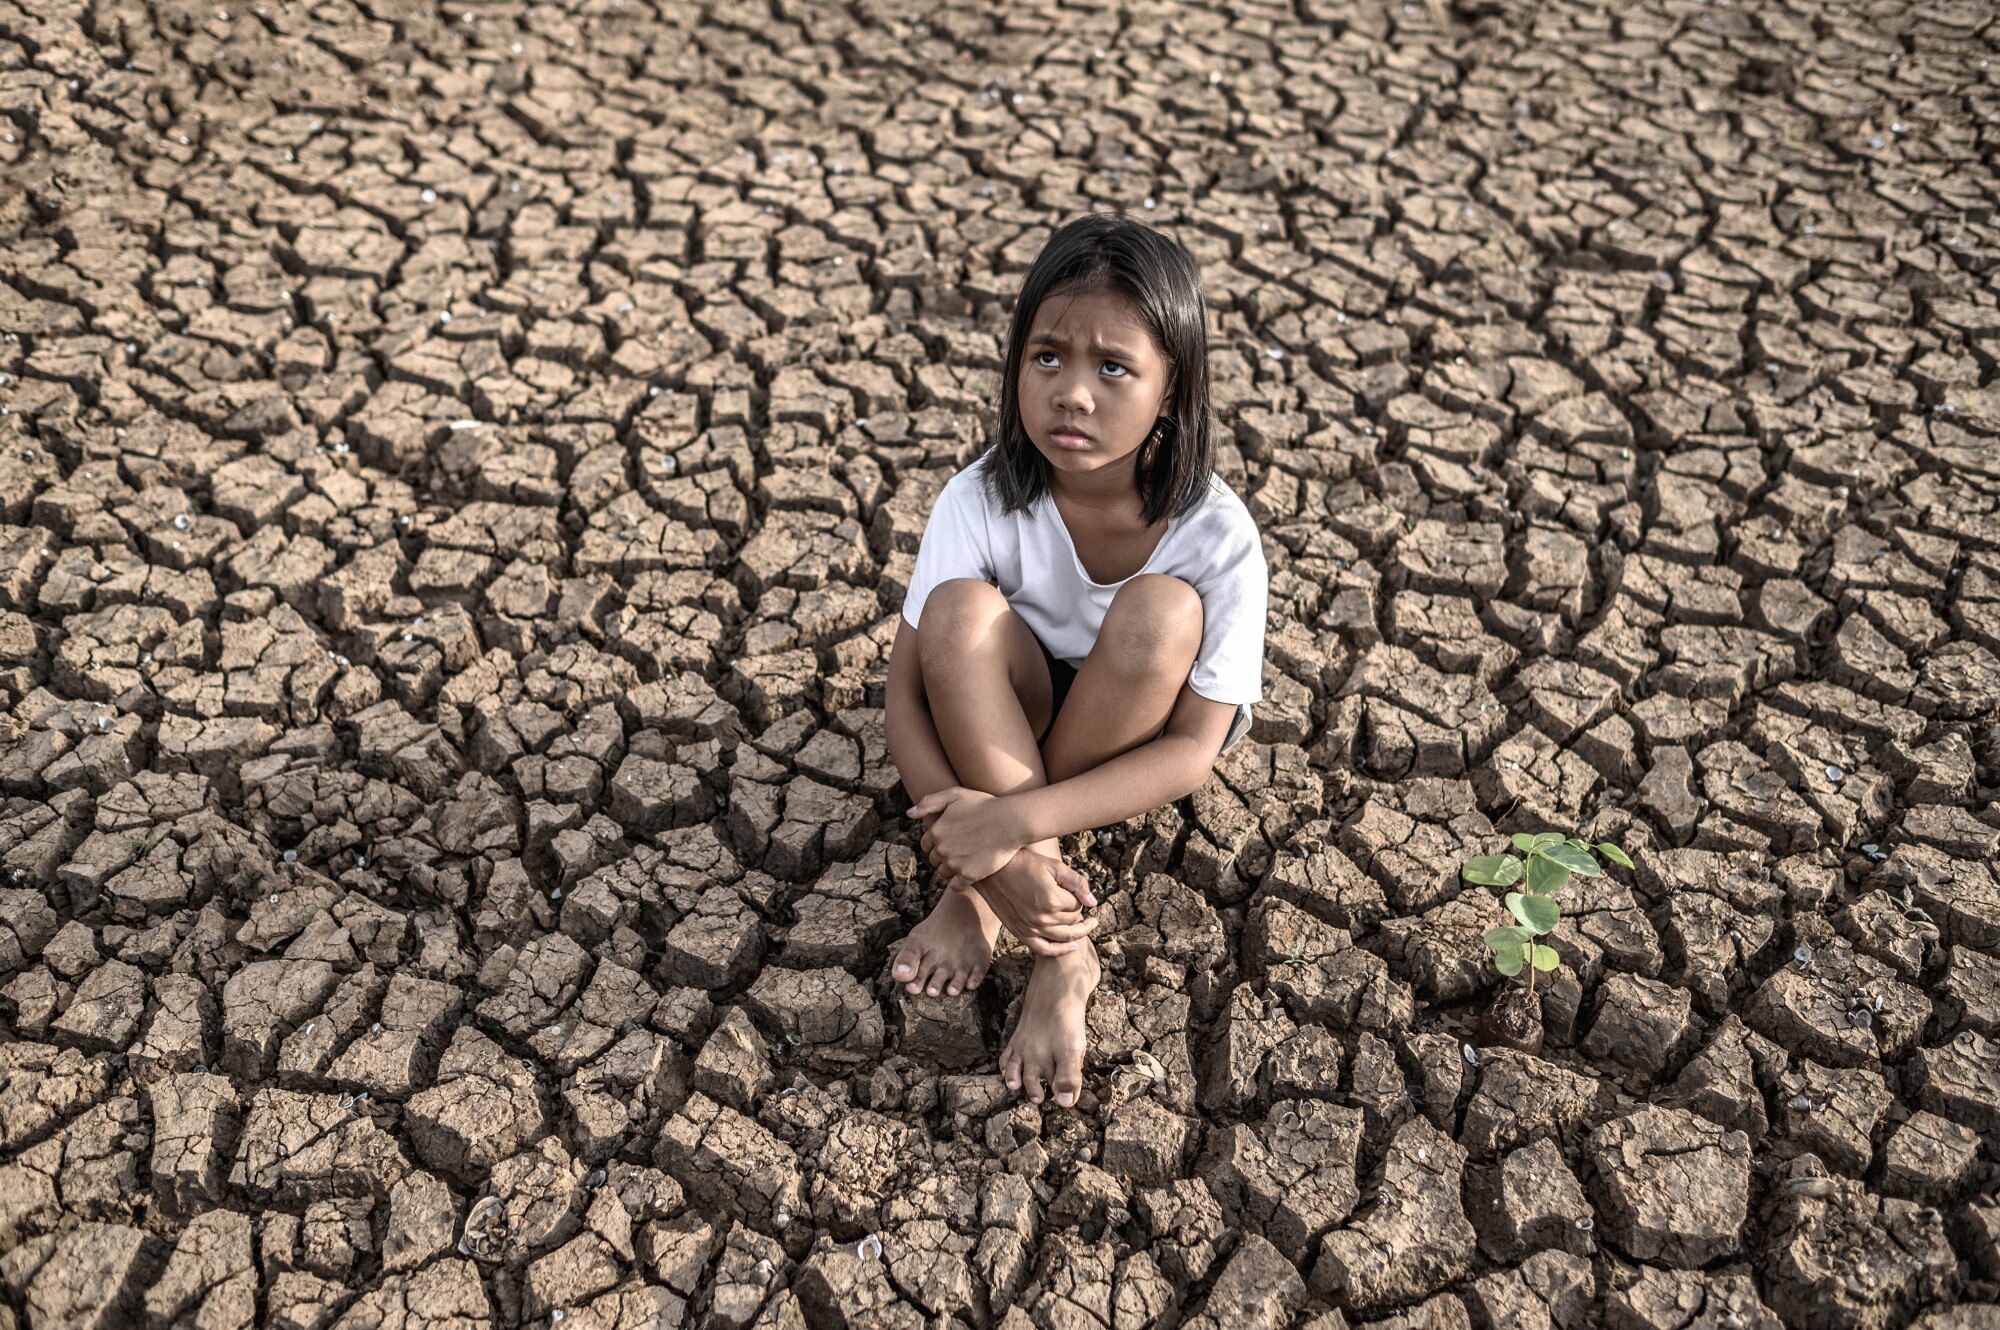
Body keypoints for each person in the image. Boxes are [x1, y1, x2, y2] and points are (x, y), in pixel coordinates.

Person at [883, 211, 1269, 1110]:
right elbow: (904, 698)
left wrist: (1001, 829)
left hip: (1125, 729)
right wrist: (988, 855)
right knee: (956, 615)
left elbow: (1191, 752)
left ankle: (994, 907)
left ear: (1174, 391)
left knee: (1158, 614)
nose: (1073, 393)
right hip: (1001, 705)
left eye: (1115, 368)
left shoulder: (1216, 536)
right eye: (1048, 357)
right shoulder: (979, 498)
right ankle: (1060, 949)